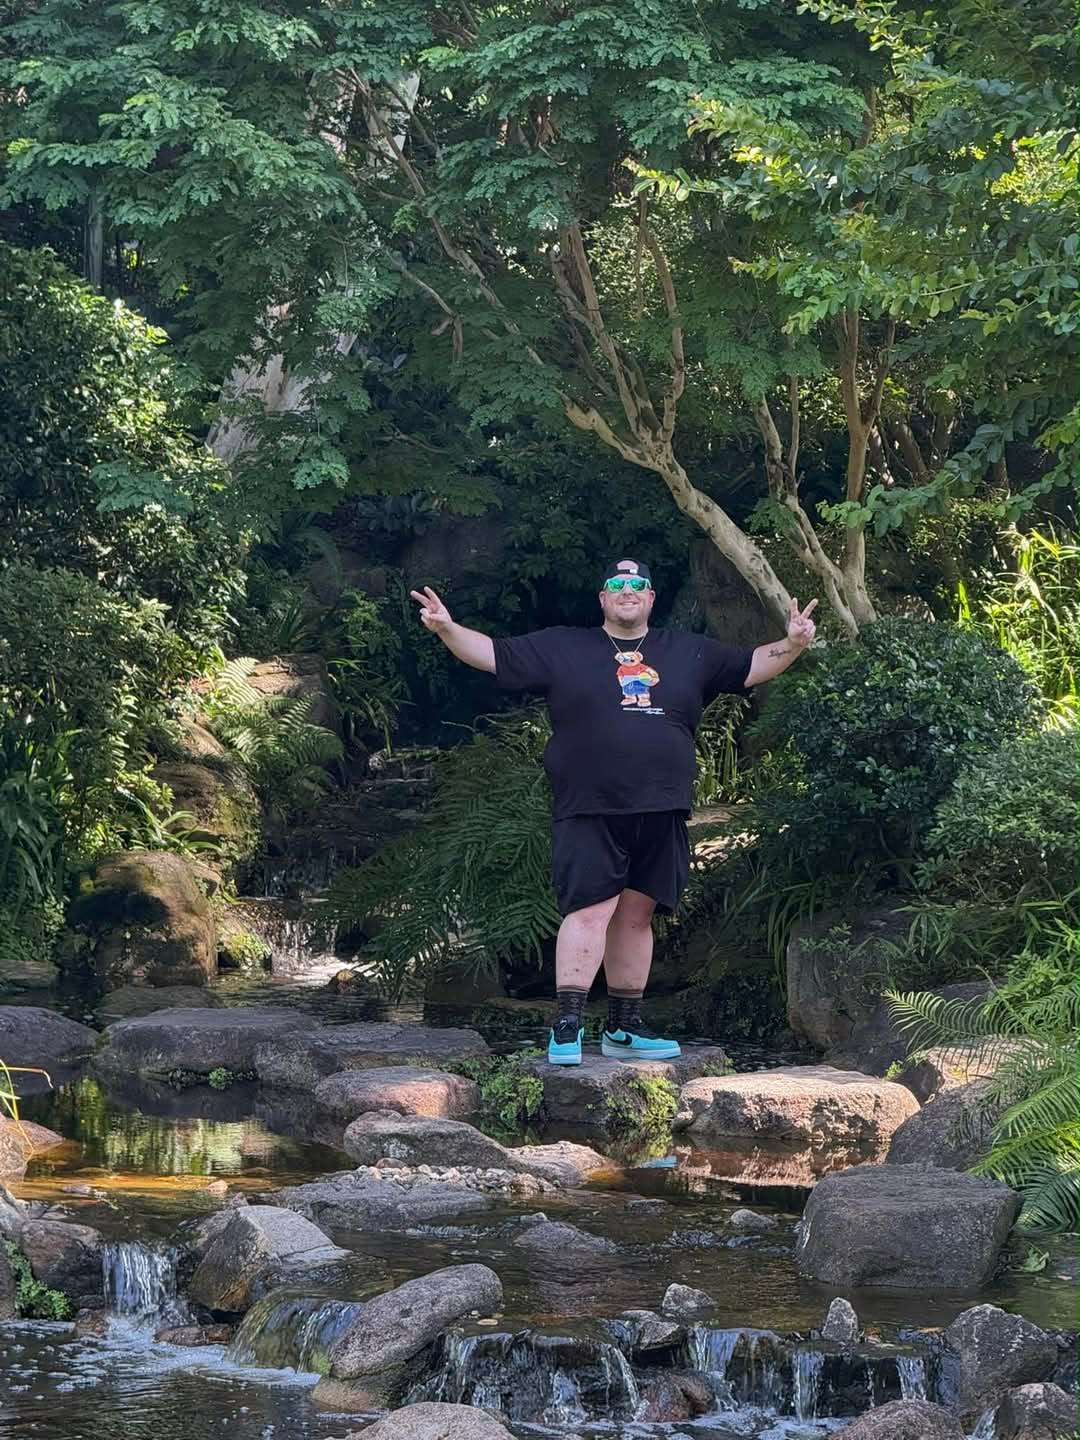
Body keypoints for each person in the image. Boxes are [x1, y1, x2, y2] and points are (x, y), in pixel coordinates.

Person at [411, 558, 817, 1066]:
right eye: (618, 584)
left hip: (663, 806)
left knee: (638, 914)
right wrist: (447, 628)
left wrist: (793, 643)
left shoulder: (688, 650)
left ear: (650, 597)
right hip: (589, 805)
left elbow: (751, 666)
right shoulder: (564, 646)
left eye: (638, 584)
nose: (628, 590)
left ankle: (624, 1028)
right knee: (589, 910)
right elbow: (492, 654)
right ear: (603, 598)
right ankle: (567, 1026)